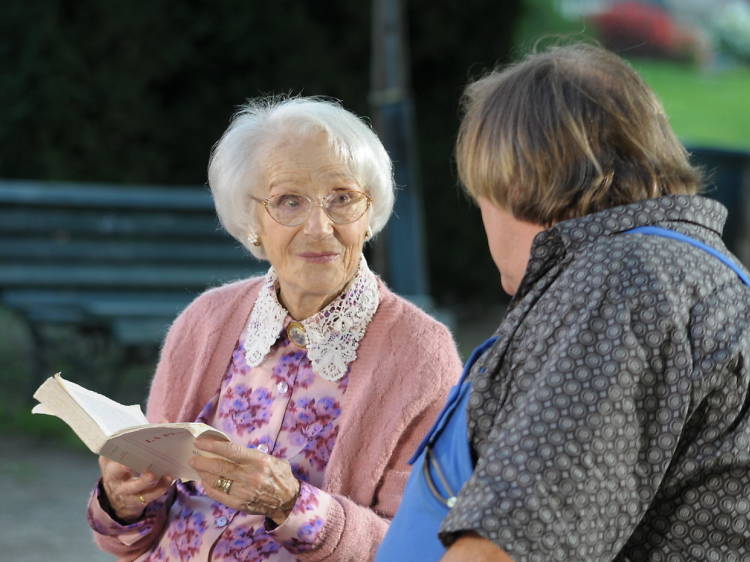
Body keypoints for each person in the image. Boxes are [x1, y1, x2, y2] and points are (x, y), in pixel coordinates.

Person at [377, 42, 750, 561]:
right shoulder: (680, 272)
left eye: (480, 194)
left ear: (515, 177)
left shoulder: (624, 284)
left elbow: (513, 544)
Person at [86, 96, 463, 560]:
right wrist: (121, 504)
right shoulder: (205, 321)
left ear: (369, 214)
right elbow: (131, 540)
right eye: (289, 201)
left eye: (342, 198)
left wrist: (292, 505)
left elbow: (418, 547)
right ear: (253, 224)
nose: (320, 227)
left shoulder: (419, 352)